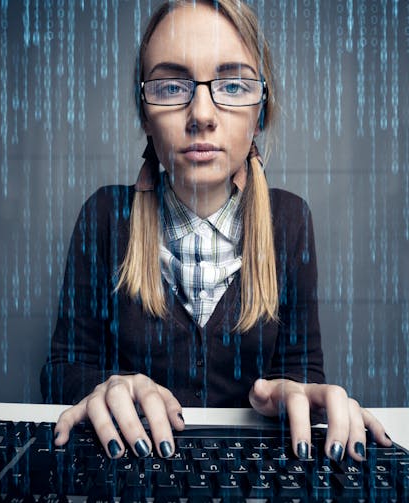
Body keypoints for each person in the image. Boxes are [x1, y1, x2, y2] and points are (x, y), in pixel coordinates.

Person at [41, 0, 391, 463]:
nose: (202, 114)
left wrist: (293, 394)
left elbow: (301, 372)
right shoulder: (104, 217)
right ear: (145, 114)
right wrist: (106, 388)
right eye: (170, 87)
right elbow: (58, 376)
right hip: (129, 470)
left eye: (232, 84)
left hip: (254, 475)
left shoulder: (290, 222)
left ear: (260, 112)